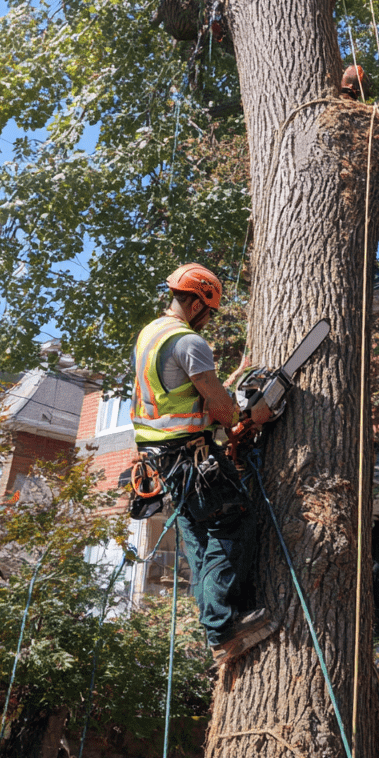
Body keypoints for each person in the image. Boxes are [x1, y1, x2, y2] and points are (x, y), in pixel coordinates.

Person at [131, 263, 275, 665]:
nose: (209, 319)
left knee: (197, 539)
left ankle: (219, 624)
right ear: (196, 303)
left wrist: (226, 386)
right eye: (208, 310)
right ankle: (223, 629)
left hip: (162, 458)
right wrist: (250, 416)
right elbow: (224, 413)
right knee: (233, 520)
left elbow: (178, 395)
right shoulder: (189, 341)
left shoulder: (150, 335)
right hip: (191, 456)